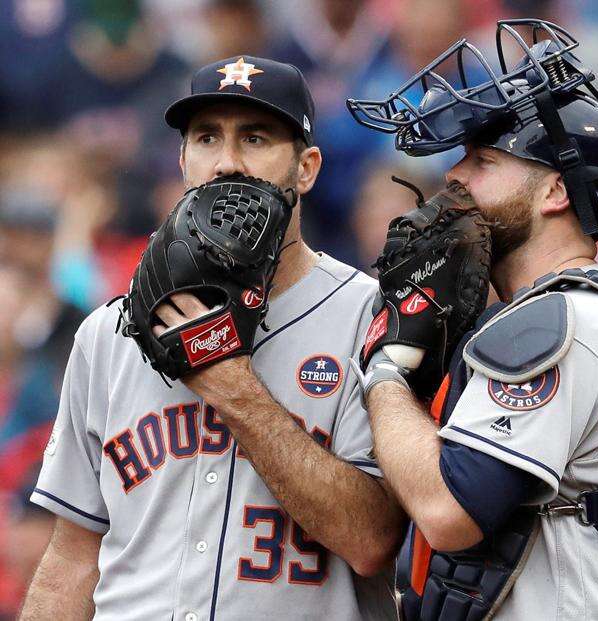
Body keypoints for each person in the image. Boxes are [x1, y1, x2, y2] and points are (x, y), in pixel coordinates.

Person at [20, 55, 405, 620]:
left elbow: (373, 542)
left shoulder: (370, 317)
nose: (226, 163)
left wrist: (228, 381)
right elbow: (72, 560)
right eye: (206, 138)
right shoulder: (109, 332)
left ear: (307, 168)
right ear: (182, 161)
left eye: (254, 138)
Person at [349, 19, 598, 619]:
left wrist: (386, 372)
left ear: (554, 190)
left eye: (482, 161)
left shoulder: (559, 323)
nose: (453, 177)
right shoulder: (570, 310)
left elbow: (449, 513)